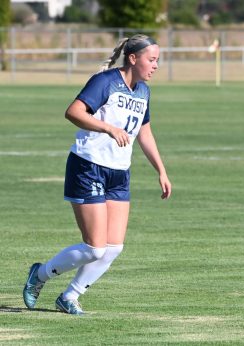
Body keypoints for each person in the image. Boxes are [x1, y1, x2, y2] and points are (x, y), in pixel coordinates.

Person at [22, 34, 172, 315]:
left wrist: (161, 170)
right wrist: (108, 128)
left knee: (113, 247)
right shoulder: (105, 82)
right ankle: (39, 275)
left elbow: (145, 132)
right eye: (151, 60)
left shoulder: (143, 92)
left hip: (119, 173)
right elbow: (73, 112)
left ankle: (70, 297)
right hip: (88, 166)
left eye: (158, 61)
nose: (156, 66)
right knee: (95, 248)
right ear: (133, 58)